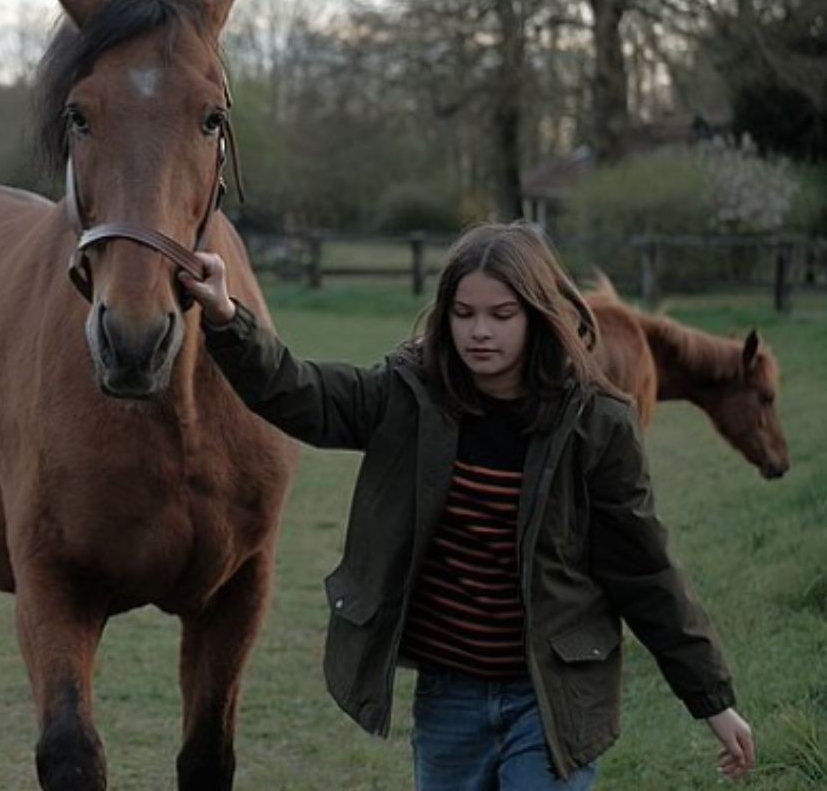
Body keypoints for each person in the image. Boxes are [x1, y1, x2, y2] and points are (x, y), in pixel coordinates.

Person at [177, 223, 755, 789]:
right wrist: (228, 318)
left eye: (502, 316)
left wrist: (712, 700)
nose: (480, 332)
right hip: (449, 701)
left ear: (539, 314)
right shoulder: (411, 397)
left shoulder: (597, 425)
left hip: (551, 696)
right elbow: (299, 392)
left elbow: (645, 570)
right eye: (464, 313)